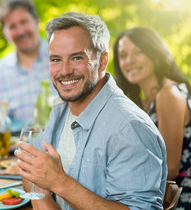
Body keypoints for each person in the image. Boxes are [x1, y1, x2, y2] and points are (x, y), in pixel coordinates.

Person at [15, 12, 167, 210]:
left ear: (102, 61)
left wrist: (58, 182)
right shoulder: (60, 110)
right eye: (55, 60)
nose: (64, 71)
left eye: (77, 58)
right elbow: (31, 171)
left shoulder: (129, 127)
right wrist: (43, 197)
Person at [113, 27, 191, 209]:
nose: (129, 61)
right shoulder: (141, 101)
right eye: (123, 55)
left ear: (155, 54)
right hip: (155, 194)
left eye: (138, 52)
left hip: (178, 199)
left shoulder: (168, 94)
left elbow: (170, 168)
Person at [0, 0, 55, 125]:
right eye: (12, 27)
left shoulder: (60, 58)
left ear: (37, 21)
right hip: (18, 144)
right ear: (5, 33)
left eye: (24, 22)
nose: (20, 31)